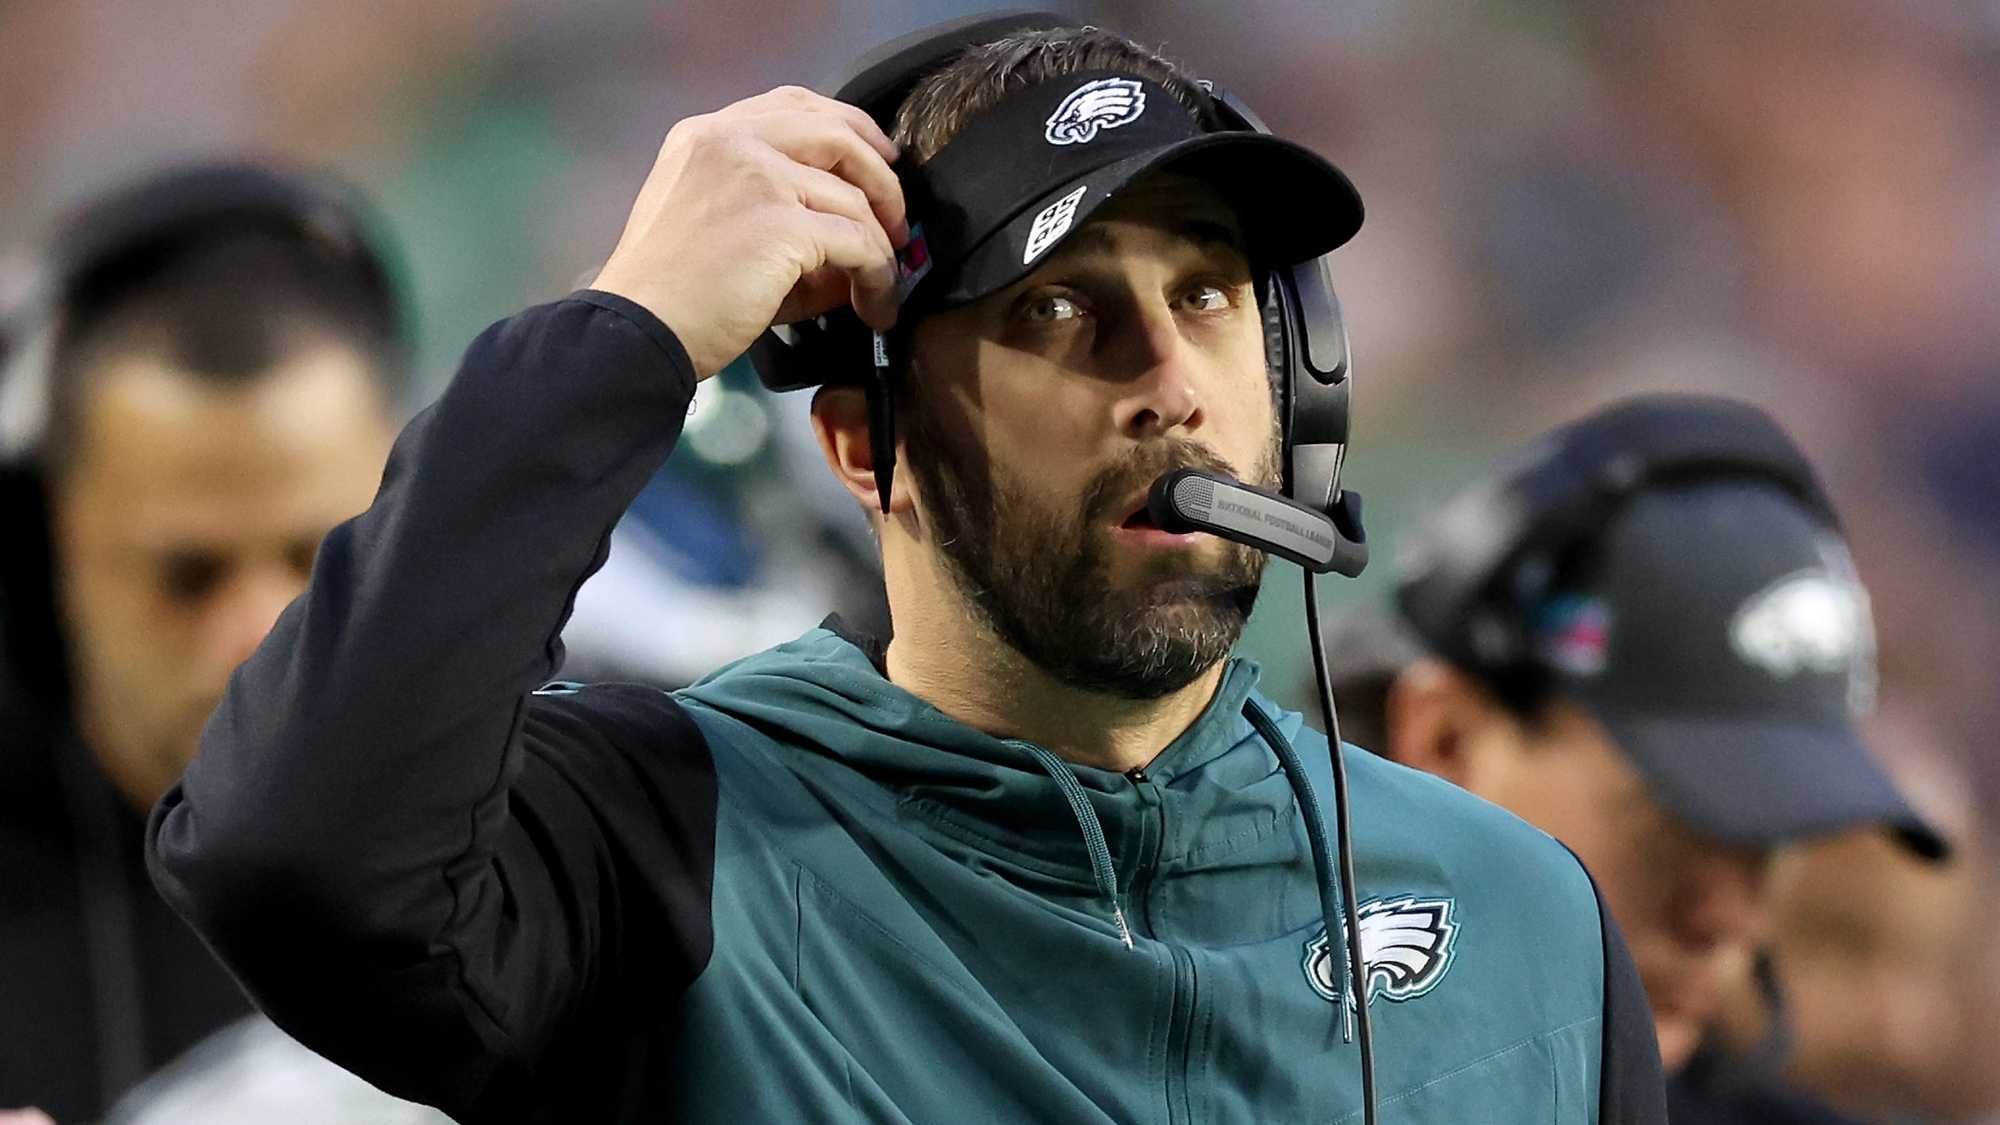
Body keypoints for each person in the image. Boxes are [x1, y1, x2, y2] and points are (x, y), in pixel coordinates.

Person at [148, 18, 1666, 1123]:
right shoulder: (665, 846)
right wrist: (631, 332)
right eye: (1059, 311)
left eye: (1206, 294)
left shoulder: (1525, 920)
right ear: (868, 448)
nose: (1171, 384)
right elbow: (294, 856)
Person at [1321, 395, 1948, 1121]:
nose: (1730, 920)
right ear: (1447, 741)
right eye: (1675, 819)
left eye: (1769, 838)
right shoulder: (1220, 1072)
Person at [0, 162, 405, 1121]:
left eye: (319, 557)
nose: (260, 637)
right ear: (46, 543)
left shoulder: (584, 822)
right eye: (189, 574)